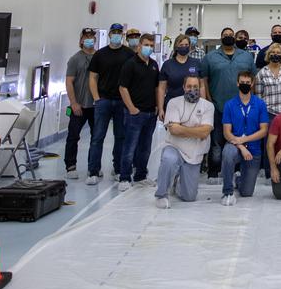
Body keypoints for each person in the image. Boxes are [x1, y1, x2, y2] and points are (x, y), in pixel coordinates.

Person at [200, 28, 256, 183]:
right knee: (216, 142)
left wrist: (251, 100)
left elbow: (253, 78)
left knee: (239, 139)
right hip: (218, 106)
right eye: (225, 35)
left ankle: (237, 170)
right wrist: (208, 100)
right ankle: (214, 171)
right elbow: (204, 80)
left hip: (241, 107)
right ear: (220, 37)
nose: (228, 37)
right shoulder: (210, 57)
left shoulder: (246, 56)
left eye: (231, 35)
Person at [154, 75, 214, 209]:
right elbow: (173, 130)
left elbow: (205, 132)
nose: (192, 90)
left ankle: (177, 183)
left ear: (200, 88)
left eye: (195, 87)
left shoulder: (208, 106)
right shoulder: (173, 103)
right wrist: (196, 130)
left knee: (189, 197)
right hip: (174, 147)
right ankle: (161, 195)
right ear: (183, 87)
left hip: (194, 153)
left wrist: (182, 127)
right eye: (189, 86)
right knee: (168, 159)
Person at [86, 24, 129, 185]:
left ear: (122, 35)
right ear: (110, 35)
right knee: (97, 136)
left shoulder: (128, 54)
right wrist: (97, 98)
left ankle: (118, 169)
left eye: (119, 33)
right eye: (114, 32)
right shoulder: (100, 54)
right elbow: (92, 78)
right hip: (103, 100)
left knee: (120, 137)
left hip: (121, 102)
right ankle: (93, 171)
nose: (116, 35)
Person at [118, 33, 160, 190]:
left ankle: (141, 175)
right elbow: (123, 88)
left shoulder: (154, 65)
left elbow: (157, 87)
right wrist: (131, 108)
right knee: (130, 147)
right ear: (140, 45)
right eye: (146, 45)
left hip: (150, 113)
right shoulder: (130, 64)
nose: (149, 48)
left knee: (145, 147)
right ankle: (124, 177)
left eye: (151, 45)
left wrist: (157, 106)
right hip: (135, 114)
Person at [221, 69, 269, 203]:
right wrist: (241, 146)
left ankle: (238, 179)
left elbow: (264, 131)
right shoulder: (229, 105)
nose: (245, 85)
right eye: (242, 82)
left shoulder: (260, 104)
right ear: (237, 83)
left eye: (248, 82)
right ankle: (228, 192)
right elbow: (226, 132)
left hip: (253, 150)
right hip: (234, 145)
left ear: (252, 84)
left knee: (247, 193)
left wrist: (244, 140)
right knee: (228, 153)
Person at [64, 29, 97, 180]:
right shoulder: (75, 59)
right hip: (78, 106)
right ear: (82, 40)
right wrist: (73, 103)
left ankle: (93, 167)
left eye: (91, 37)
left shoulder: (99, 57)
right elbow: (69, 82)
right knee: (73, 136)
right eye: (86, 37)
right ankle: (70, 165)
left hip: (95, 105)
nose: (89, 40)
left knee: (96, 137)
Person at [157, 34, 201, 118]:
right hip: (172, 106)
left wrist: (203, 104)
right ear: (176, 47)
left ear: (189, 46)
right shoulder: (168, 65)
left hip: (192, 106)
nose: (184, 47)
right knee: (173, 126)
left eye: (186, 45)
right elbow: (161, 89)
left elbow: (202, 86)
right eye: (181, 45)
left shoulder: (196, 63)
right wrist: (161, 108)